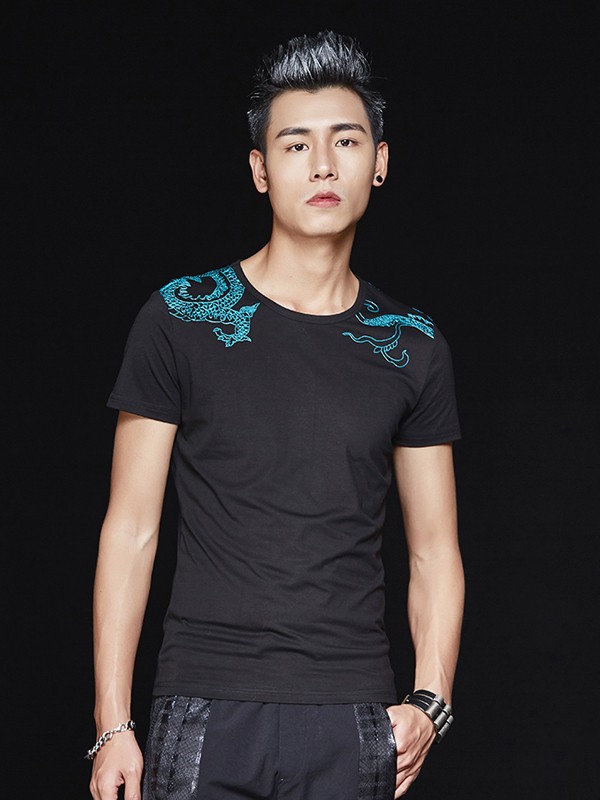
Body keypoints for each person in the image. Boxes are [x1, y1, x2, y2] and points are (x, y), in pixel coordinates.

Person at [88, 30, 464, 800]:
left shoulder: (411, 344)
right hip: (204, 707)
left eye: (345, 141)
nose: (322, 164)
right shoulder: (182, 316)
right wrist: (111, 722)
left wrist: (430, 702)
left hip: (353, 715)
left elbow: (435, 551)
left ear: (380, 161)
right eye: (295, 145)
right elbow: (130, 529)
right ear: (261, 169)